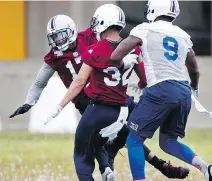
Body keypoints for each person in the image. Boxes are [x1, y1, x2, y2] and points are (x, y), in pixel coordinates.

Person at [10, 9, 189, 180]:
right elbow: (40, 82)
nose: (58, 41)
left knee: (131, 128)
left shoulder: (88, 36)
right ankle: (139, 165)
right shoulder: (53, 57)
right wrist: (29, 102)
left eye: (61, 35)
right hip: (86, 100)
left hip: (107, 91)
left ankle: (114, 164)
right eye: (54, 37)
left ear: (71, 31)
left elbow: (111, 40)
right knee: (117, 134)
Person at [110, 0, 212, 180]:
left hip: (161, 89)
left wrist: (124, 64)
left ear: (154, 9)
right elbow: (194, 68)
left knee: (133, 140)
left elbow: (115, 56)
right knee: (168, 141)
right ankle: (206, 168)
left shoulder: (143, 29)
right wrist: (194, 87)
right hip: (183, 91)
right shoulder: (182, 35)